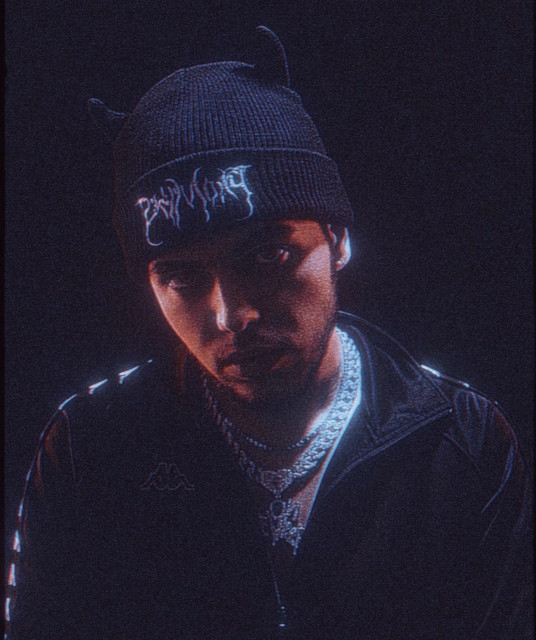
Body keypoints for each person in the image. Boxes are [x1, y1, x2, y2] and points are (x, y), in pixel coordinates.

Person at [5, 27, 531, 640]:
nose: (232, 316)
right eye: (181, 277)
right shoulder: (93, 445)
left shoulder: (461, 441)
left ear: (338, 240)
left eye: (266, 256)